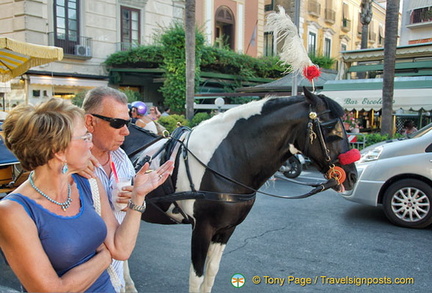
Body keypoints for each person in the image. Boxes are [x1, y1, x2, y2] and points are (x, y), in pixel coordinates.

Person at [0, 98, 174, 292]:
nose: (91, 146)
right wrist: (105, 255)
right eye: (85, 138)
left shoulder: (88, 182)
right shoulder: (13, 211)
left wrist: (138, 197)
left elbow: (121, 249)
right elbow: (54, 290)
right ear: (59, 150)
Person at [82, 87, 141, 292]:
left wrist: (136, 197)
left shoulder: (121, 158)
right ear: (90, 122)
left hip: (116, 272)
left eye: (128, 122)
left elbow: (135, 204)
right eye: (117, 123)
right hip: (85, 276)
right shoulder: (69, 165)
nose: (126, 131)